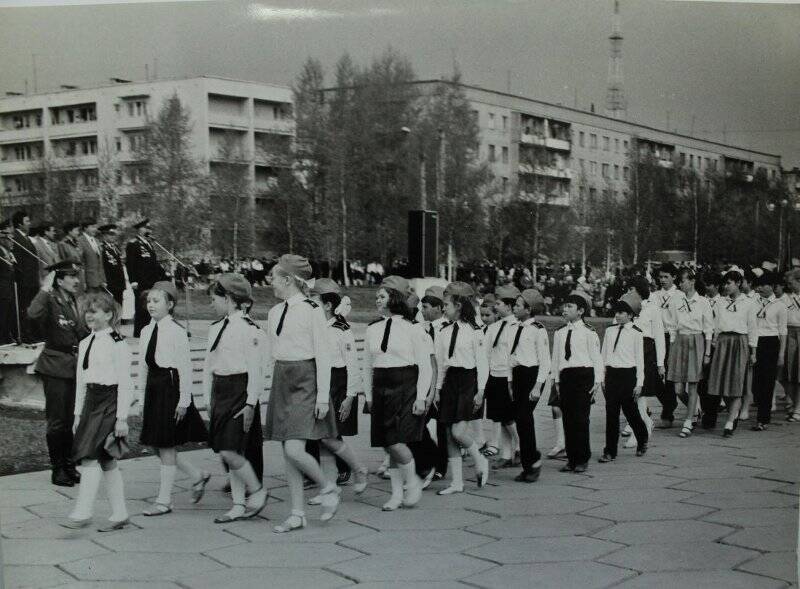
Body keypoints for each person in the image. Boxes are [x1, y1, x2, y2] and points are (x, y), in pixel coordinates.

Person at [263, 256, 341, 532]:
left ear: (287, 279)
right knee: (287, 450)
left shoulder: (312, 311)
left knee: (295, 447)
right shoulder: (274, 313)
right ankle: (297, 513)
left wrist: (322, 396)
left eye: (273, 276)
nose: (269, 281)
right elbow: (272, 353)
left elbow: (324, 355)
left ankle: (327, 486)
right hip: (282, 379)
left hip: (306, 378)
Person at [60, 292, 132, 531]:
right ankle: (120, 513)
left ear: (109, 314)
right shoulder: (85, 342)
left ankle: (83, 511)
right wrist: (78, 413)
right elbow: (81, 380)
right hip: (91, 401)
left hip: (109, 401)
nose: (89, 315)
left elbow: (125, 382)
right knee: (105, 458)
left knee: (89, 455)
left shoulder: (117, 343)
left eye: (94, 311)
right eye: (87, 311)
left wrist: (122, 417)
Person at [137, 281, 210, 516]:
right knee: (157, 446)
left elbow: (185, 368)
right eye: (148, 301)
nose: (151, 305)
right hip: (153, 389)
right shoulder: (147, 331)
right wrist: (140, 398)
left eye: (156, 301)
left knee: (166, 445)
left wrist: (184, 400)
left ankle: (164, 500)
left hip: (170, 388)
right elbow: (143, 367)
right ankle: (197, 475)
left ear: (170, 304)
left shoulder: (177, 331)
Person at [204, 273, 268, 523]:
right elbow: (210, 364)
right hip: (220, 391)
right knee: (225, 450)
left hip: (240, 391)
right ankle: (239, 504)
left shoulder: (249, 330)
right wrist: (208, 398)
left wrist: (251, 402)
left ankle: (258, 490)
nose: (212, 304)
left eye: (214, 299)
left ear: (229, 298)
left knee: (232, 450)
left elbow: (256, 369)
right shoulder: (216, 328)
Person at [364, 275, 431, 510]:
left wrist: (421, 397)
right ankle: (394, 494)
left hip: (405, 386)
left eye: (381, 296)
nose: (377, 301)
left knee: (396, 442)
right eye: (376, 297)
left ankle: (412, 481)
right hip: (380, 386)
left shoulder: (414, 330)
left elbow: (425, 366)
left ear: (394, 298)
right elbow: (367, 365)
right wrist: (369, 396)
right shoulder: (373, 329)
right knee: (387, 441)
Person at [304, 278, 369, 503]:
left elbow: (352, 366)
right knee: (323, 438)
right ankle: (329, 486)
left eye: (314, 301)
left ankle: (358, 469)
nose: (310, 305)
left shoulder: (342, 331)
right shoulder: (313, 328)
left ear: (328, 305)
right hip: (319, 383)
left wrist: (350, 397)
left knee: (329, 437)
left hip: (337, 385)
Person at [27, 260, 89, 486]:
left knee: (71, 419)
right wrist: (44, 288)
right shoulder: (50, 300)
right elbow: (33, 315)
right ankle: (57, 469)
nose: (76, 280)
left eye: (77, 275)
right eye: (71, 276)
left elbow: (81, 332)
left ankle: (70, 465)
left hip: (73, 365)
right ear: (58, 279)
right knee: (57, 422)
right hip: (55, 366)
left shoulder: (73, 300)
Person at [435, 281, 490, 495]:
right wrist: (438, 389)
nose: (443, 307)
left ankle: (479, 458)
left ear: (458, 305)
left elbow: (482, 363)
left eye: (447, 303)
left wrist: (481, 390)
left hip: (469, 381)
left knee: (459, 431)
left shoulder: (475, 332)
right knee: (449, 433)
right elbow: (441, 363)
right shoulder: (443, 331)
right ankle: (457, 483)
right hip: (450, 381)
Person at [551, 294, 603, 473]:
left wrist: (597, 382)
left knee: (581, 419)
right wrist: (556, 380)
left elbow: (596, 358)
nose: (565, 310)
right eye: (564, 306)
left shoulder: (589, 332)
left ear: (580, 311)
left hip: (583, 376)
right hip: (566, 377)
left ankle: (582, 458)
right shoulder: (559, 332)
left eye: (569, 306)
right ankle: (571, 459)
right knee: (568, 419)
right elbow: (556, 358)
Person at [706, 271, 758, 437]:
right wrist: (713, 343)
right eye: (725, 283)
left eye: (729, 283)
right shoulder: (720, 302)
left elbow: (752, 328)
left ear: (738, 283)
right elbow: (716, 324)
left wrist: (753, 351)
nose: (726, 286)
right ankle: (733, 411)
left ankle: (729, 421)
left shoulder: (748, 303)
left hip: (740, 342)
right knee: (721, 384)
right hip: (723, 342)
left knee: (736, 382)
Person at [507, 288, 550, 482]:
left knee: (525, 419)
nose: (514, 308)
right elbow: (511, 356)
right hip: (517, 375)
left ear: (529, 309)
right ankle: (529, 463)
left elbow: (545, 362)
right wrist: (509, 380)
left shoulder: (538, 330)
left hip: (531, 376)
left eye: (517, 305)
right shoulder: (514, 327)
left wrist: (538, 386)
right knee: (520, 419)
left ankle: (533, 463)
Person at [599, 294, 649, 463]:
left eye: (622, 312)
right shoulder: (609, 331)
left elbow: (640, 361)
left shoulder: (636, 333)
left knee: (631, 412)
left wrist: (639, 383)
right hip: (612, 375)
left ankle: (642, 438)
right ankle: (610, 451)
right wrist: (602, 377)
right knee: (611, 413)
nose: (618, 315)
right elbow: (603, 355)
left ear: (630, 315)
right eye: (617, 312)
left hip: (628, 375)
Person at [667, 268, 714, 438]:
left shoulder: (703, 302)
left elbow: (709, 329)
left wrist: (707, 353)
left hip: (696, 341)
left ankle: (688, 421)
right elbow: (672, 325)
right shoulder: (675, 300)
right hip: (680, 341)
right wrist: (672, 347)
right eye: (679, 281)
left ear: (692, 281)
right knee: (678, 388)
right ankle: (695, 409)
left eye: (683, 280)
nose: (680, 284)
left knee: (693, 383)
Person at [623, 278, 663, 447]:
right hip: (628, 351)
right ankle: (644, 423)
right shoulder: (625, 307)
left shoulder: (652, 308)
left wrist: (661, 363)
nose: (628, 292)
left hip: (646, 351)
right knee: (630, 392)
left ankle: (638, 430)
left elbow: (659, 336)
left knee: (640, 392)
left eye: (632, 288)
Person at [483, 285, 520, 468]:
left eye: (498, 303)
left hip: (509, 376)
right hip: (494, 375)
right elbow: (486, 352)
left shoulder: (516, 327)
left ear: (509, 306)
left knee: (508, 416)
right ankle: (507, 455)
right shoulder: (493, 327)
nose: (495, 306)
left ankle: (520, 446)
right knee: (500, 416)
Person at [751, 272, 787, 430]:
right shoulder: (753, 302)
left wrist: (781, 353)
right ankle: (761, 408)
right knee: (755, 383)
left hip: (771, 342)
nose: (759, 288)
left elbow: (783, 331)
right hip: (755, 342)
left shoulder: (780, 305)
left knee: (767, 381)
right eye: (757, 285)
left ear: (772, 286)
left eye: (763, 285)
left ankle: (763, 419)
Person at [652, 263, 681, 428]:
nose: (662, 280)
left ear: (674, 277)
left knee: (670, 376)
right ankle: (670, 403)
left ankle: (667, 413)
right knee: (654, 374)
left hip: (673, 337)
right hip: (657, 337)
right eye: (660, 277)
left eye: (666, 277)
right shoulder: (654, 295)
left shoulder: (679, 295)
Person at [126, 218, 166, 337]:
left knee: (150, 306)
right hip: (141, 281)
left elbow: (153, 263)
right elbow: (130, 263)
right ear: (139, 230)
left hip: (152, 281)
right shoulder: (133, 244)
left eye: (149, 228)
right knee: (141, 307)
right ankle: (139, 332)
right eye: (145, 228)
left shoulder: (149, 244)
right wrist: (133, 280)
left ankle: (149, 330)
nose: (148, 230)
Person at [11, 210, 40, 342]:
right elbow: (18, 262)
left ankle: (32, 333)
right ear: (19, 224)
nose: (29, 224)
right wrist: (22, 279)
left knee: (32, 307)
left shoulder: (26, 238)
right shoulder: (16, 238)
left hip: (32, 280)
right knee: (25, 308)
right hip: (25, 282)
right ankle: (25, 334)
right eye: (27, 221)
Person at [781, 269, 800, 422]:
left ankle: (798, 407)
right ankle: (791, 401)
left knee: (799, 373)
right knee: (788, 371)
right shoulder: (786, 298)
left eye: (791, 282)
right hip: (789, 334)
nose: (789, 286)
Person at [0, 220, 18, 344]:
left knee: (9, 313)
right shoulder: (0, 252)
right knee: (2, 313)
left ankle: (7, 335)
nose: (12, 241)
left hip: (10, 287)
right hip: (2, 288)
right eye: (8, 238)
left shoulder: (9, 252)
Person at [98, 224, 126, 305]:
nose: (113, 236)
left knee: (119, 305)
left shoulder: (115, 247)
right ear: (104, 235)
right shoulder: (102, 248)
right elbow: (101, 266)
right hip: (110, 283)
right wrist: (104, 281)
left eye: (114, 234)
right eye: (111, 234)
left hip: (119, 283)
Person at [78, 219, 106, 292]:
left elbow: (100, 261)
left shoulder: (97, 240)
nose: (95, 229)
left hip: (99, 281)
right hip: (88, 281)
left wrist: (103, 279)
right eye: (92, 227)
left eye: (96, 227)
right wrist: (83, 282)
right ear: (85, 228)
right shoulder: (79, 241)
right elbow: (80, 263)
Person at [58, 222, 83, 289]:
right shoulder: (62, 244)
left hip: (80, 275)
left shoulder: (77, 243)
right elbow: (63, 262)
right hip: (71, 276)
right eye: (76, 230)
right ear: (69, 231)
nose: (78, 232)